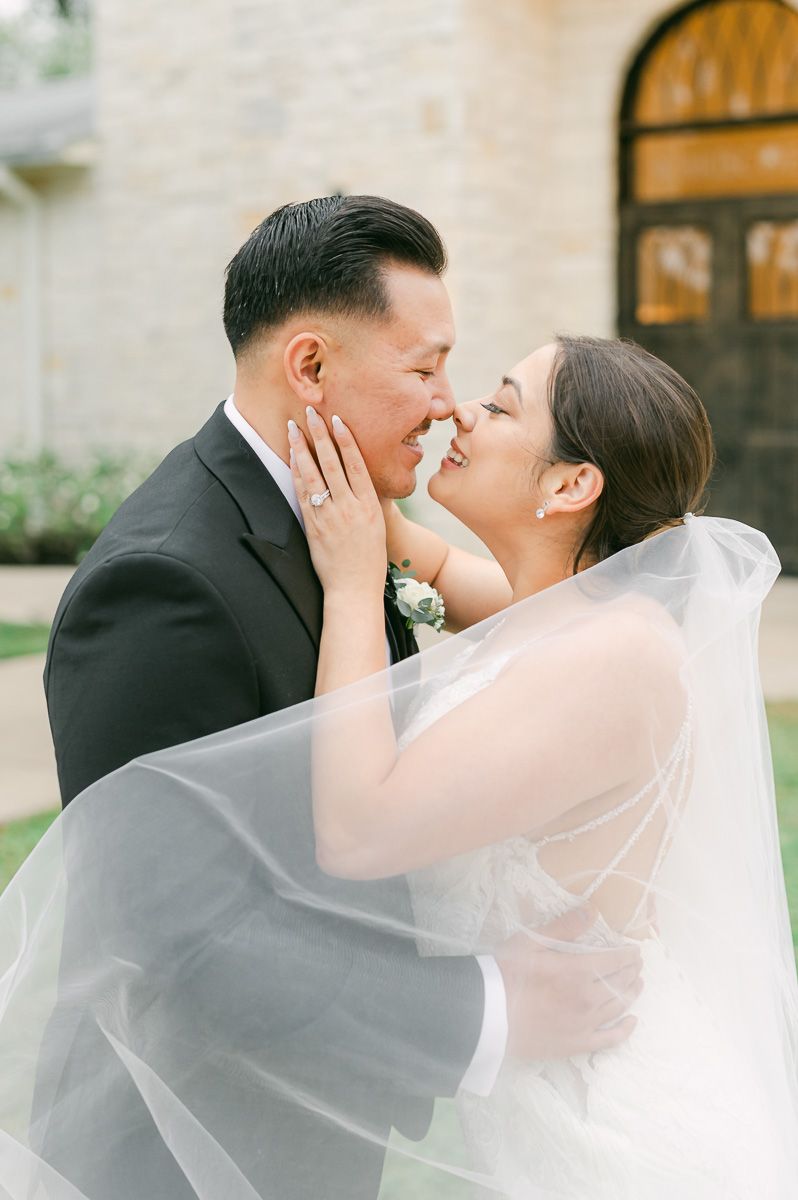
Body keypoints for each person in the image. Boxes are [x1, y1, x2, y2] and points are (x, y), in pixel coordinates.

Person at [23, 197, 640, 1200]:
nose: (447, 405)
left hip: (318, 1132)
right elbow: (177, 936)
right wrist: (484, 1008)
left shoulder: (358, 525)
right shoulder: (163, 582)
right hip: (178, 1153)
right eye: (425, 367)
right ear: (309, 368)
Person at [285, 334, 798, 1195]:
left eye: (501, 404)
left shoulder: (615, 657)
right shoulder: (562, 609)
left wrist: (346, 589)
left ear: (570, 485)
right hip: (541, 1113)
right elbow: (430, 559)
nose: (459, 411)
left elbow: (358, 828)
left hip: (619, 1138)